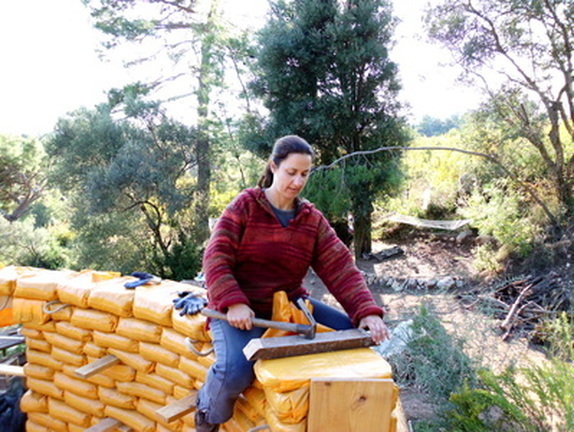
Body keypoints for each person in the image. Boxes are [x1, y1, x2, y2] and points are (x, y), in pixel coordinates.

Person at [195, 135, 390, 432]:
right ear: (274, 166)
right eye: (291, 172)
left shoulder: (311, 220)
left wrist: (367, 311)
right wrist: (234, 302)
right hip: (238, 309)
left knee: (353, 340)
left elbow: (340, 266)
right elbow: (215, 257)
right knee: (235, 370)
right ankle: (207, 414)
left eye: (304, 174)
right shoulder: (245, 206)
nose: (298, 181)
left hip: (289, 305)